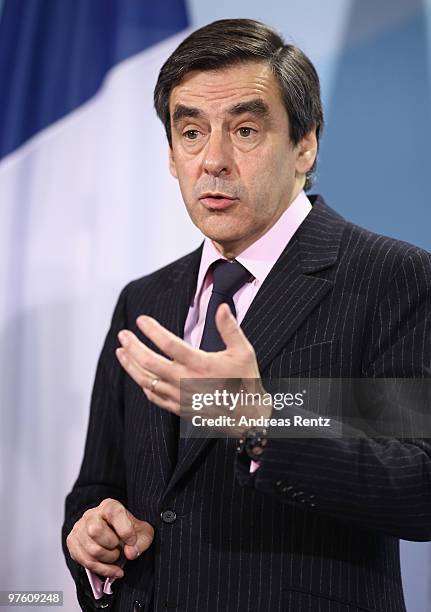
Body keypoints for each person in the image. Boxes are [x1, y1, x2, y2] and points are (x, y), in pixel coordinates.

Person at [62, 18, 431, 612]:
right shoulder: (144, 301)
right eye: (190, 133)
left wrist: (259, 420)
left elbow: (420, 483)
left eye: (246, 130)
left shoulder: (393, 278)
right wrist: (92, 534)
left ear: (305, 144)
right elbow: (99, 485)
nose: (213, 161)